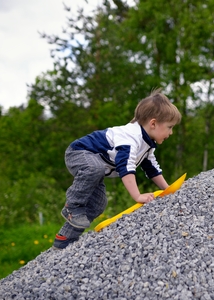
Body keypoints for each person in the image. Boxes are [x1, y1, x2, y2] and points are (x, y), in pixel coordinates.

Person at [53, 89, 181, 249]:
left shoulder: (147, 144)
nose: (171, 132)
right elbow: (125, 167)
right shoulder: (130, 138)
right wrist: (137, 196)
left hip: (95, 164)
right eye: (169, 127)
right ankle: (72, 206)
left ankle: (64, 239)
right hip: (79, 153)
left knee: (99, 203)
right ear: (153, 123)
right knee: (95, 168)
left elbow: (152, 168)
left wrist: (168, 190)